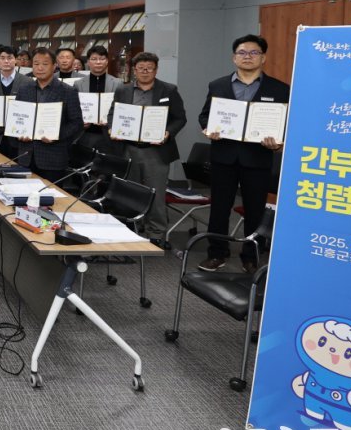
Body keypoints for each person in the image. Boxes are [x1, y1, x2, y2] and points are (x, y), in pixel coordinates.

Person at [198, 34, 289, 273]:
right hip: (223, 157)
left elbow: (285, 124)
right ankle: (217, 253)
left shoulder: (279, 89)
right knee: (219, 208)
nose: (247, 57)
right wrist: (209, 129)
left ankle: (251, 256)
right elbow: (205, 115)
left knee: (255, 210)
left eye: (253, 53)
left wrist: (278, 143)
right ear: (233, 57)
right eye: (242, 52)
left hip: (258, 158)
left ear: (263, 57)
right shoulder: (217, 85)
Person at [109, 52, 186, 239]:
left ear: (156, 69)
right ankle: (134, 229)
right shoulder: (123, 90)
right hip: (129, 148)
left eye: (149, 68)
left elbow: (180, 118)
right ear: (134, 70)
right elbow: (113, 113)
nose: (145, 72)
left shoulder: (168, 90)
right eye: (141, 68)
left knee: (156, 194)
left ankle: (156, 233)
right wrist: (113, 128)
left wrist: (168, 132)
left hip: (156, 151)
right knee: (131, 192)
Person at [13, 48, 84, 182]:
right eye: (36, 64)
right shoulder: (24, 89)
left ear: (54, 66)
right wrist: (19, 134)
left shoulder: (68, 91)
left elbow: (76, 123)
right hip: (26, 156)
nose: (40, 68)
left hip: (53, 159)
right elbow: (18, 118)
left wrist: (56, 136)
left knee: (51, 200)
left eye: (45, 64)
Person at [0, 45, 34, 159]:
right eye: (2, 58)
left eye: (10, 57)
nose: (6, 61)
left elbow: (31, 108)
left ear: (15, 60)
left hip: (18, 137)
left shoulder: (28, 81)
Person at [72, 45, 123, 154]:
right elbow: (73, 108)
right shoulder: (78, 84)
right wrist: (80, 121)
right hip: (85, 134)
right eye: (94, 59)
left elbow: (121, 109)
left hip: (108, 135)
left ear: (107, 61)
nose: (98, 62)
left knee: (107, 168)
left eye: (102, 58)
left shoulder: (118, 83)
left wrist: (110, 122)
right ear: (88, 62)